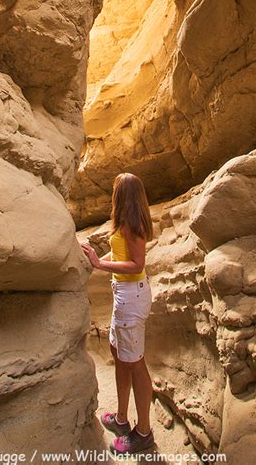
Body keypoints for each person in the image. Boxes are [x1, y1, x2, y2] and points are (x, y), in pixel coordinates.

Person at [81, 172, 155, 455]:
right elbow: (121, 254)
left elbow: (136, 264)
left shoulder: (132, 223)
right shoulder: (126, 221)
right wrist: (97, 257)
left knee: (135, 363)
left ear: (121, 195)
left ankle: (144, 433)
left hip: (132, 297)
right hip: (124, 296)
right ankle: (123, 419)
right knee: (119, 353)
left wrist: (99, 264)